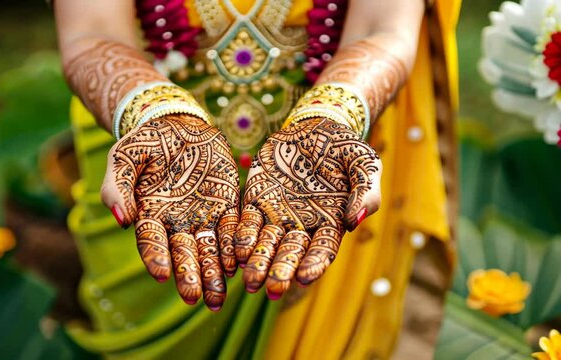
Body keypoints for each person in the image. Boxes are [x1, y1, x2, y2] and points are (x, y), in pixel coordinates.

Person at [55, 0, 459, 358]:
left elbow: (382, 27)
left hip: (316, 186)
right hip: (154, 168)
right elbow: (93, 31)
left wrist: (331, 118)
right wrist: (155, 114)